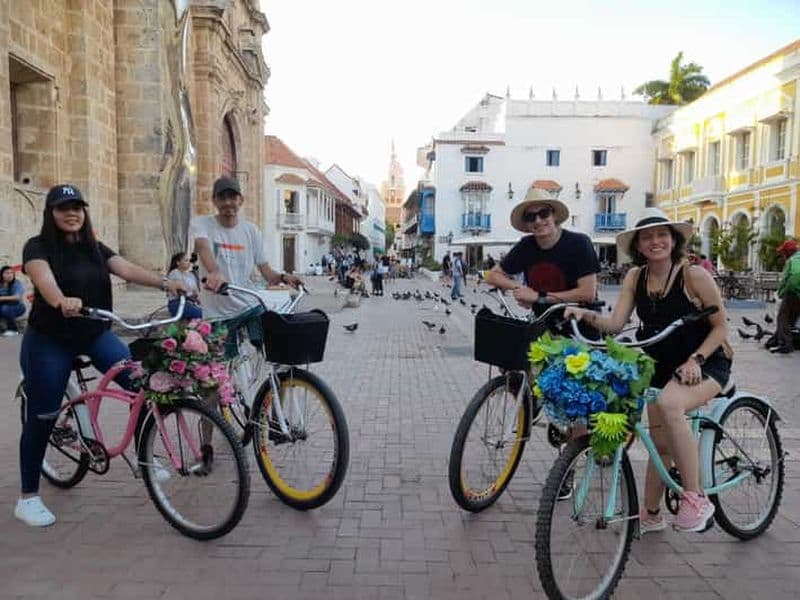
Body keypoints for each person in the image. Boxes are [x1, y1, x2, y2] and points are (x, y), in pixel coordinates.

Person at [16, 184, 187, 527]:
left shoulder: (95, 247)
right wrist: (60, 300)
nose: (72, 213)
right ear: (51, 213)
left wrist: (166, 283)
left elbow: (127, 269)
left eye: (77, 207)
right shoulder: (38, 246)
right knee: (43, 415)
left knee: (143, 385)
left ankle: (143, 458)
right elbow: (43, 278)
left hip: (95, 335)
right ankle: (28, 497)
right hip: (50, 340)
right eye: (63, 207)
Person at [565, 208, 731, 533]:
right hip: (660, 365)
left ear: (674, 240)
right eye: (647, 237)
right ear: (638, 246)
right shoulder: (635, 277)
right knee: (660, 443)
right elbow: (615, 325)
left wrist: (695, 359)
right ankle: (652, 514)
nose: (655, 241)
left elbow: (721, 327)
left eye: (662, 235)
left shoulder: (694, 276)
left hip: (706, 362)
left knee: (670, 405)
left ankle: (696, 498)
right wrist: (585, 315)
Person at [192, 176, 302, 354]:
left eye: (232, 197)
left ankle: (268, 368)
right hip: (218, 313)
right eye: (222, 197)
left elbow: (267, 272)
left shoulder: (251, 230)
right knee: (224, 364)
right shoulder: (202, 224)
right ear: (214, 201)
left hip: (248, 305)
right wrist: (214, 272)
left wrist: (283, 277)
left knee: (272, 345)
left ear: (241, 200)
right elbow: (203, 247)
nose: (228, 202)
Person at [485, 186, 599, 309]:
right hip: (542, 319)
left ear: (554, 216)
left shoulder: (579, 243)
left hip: (580, 318)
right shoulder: (525, 246)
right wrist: (520, 288)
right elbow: (492, 275)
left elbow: (587, 293)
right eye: (530, 217)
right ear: (526, 224)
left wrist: (538, 297)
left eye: (544, 214)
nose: (538, 221)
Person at [768, 239, 800, 354]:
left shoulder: (793, 260)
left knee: (782, 317)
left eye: (784, 252)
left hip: (793, 292)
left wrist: (782, 291)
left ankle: (786, 343)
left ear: (788, 252)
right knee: (792, 317)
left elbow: (795, 276)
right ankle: (777, 339)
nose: (783, 255)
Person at [166, 251, 202, 319]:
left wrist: (199, 299)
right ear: (178, 262)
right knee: (202, 314)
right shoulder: (174, 273)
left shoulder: (191, 275)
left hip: (191, 303)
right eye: (186, 260)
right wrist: (193, 297)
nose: (189, 262)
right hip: (178, 303)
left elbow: (196, 291)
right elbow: (181, 291)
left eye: (189, 260)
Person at [0, 266, 26, 336]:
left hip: (18, 307)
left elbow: (17, 297)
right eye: (7, 273)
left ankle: (13, 330)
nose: (10, 275)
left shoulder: (16, 283)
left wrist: (1, 298)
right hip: (3, 307)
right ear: (2, 274)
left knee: (5, 308)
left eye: (11, 273)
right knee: (4, 308)